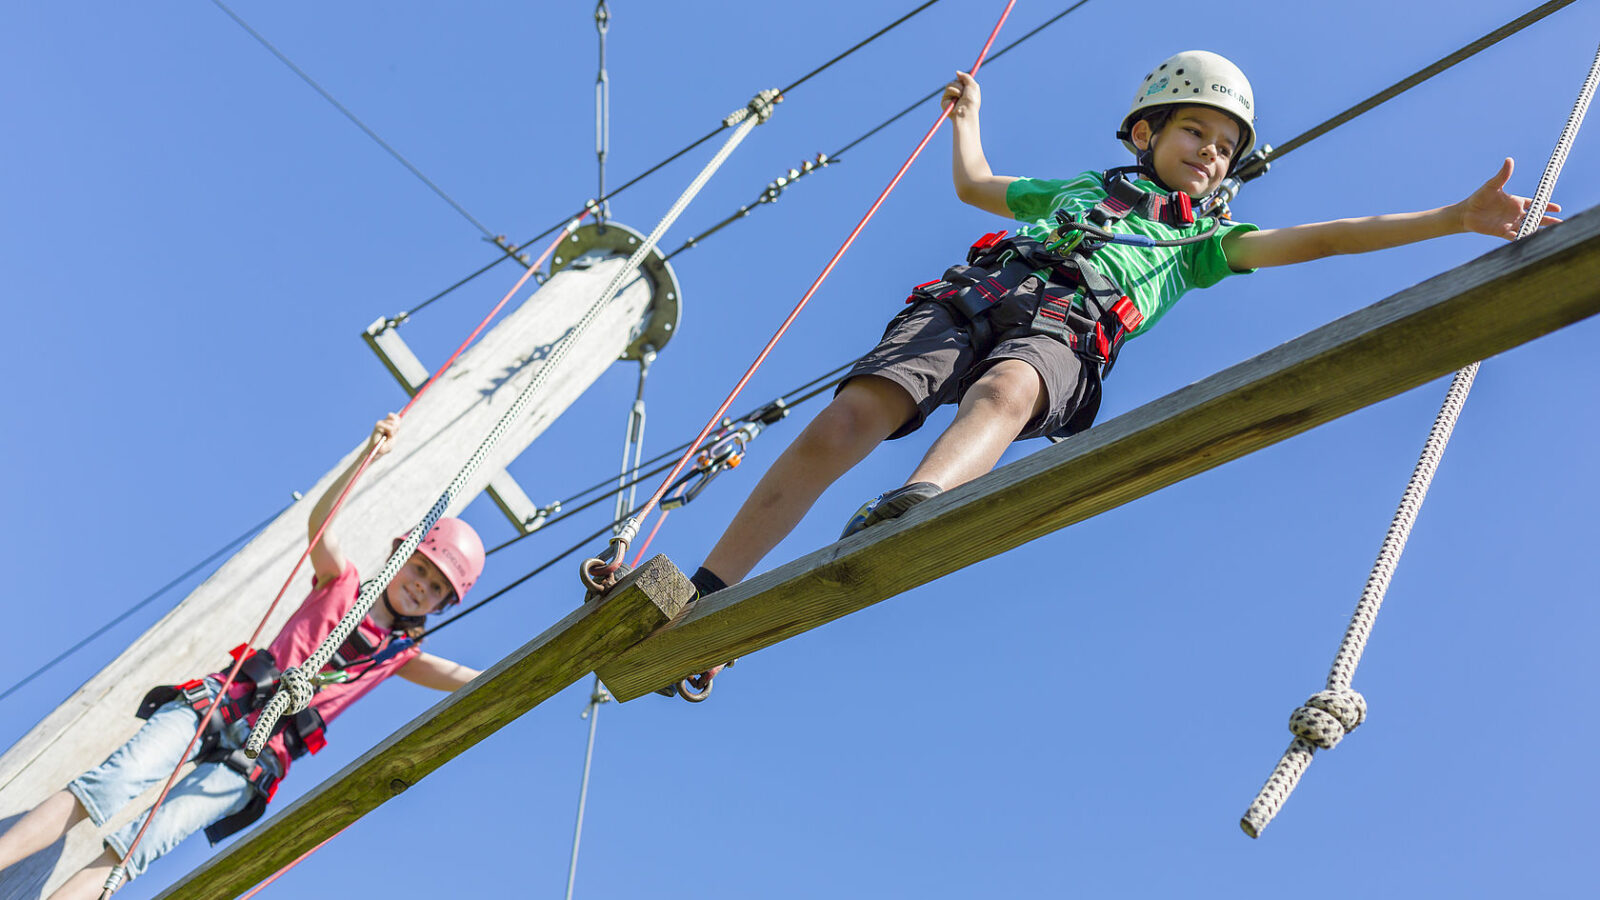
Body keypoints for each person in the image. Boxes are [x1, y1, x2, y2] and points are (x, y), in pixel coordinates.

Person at [666, 50, 1560, 693]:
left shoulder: (1206, 241)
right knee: (847, 418)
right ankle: (712, 588)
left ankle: (920, 501)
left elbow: (1327, 237)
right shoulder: (1075, 192)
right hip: (976, 294)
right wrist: (967, 120)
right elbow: (976, 187)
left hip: (1066, 329)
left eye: (1223, 146)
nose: (1208, 151)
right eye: (1193, 131)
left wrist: (1453, 216)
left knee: (1008, 392)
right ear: (1146, 131)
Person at [0, 414, 486, 898]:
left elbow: (467, 678)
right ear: (401, 557)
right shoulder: (342, 583)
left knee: (131, 855)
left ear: (442, 604)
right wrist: (366, 457)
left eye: (436, 587)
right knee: (104, 787)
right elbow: (323, 523)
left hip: (258, 756)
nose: (421, 586)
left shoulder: (398, 655)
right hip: (226, 700)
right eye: (420, 569)